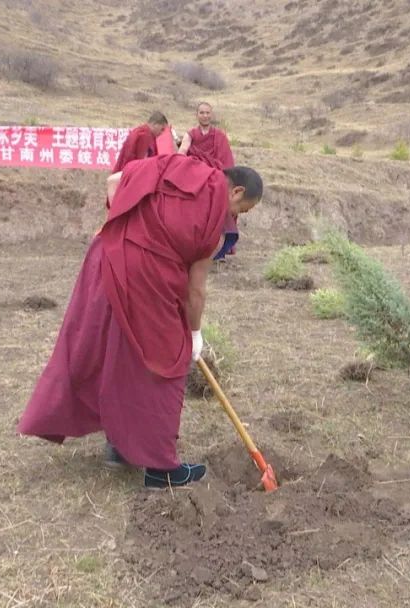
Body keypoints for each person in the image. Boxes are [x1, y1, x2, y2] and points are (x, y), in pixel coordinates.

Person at [17, 154, 263, 488]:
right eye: (242, 211)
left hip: (108, 259)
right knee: (166, 360)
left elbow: (114, 183)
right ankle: (161, 470)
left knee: (111, 349)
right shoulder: (213, 219)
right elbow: (195, 291)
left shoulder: (177, 166)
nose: (236, 218)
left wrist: (128, 227)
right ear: (235, 192)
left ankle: (119, 445)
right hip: (147, 277)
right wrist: (193, 336)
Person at [178, 102, 238, 261]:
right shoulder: (190, 134)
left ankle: (220, 250)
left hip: (216, 179)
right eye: (201, 113)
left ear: (211, 115)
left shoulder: (220, 136)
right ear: (196, 115)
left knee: (223, 208)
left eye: (207, 113)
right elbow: (182, 151)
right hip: (197, 179)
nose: (205, 115)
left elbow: (226, 162)